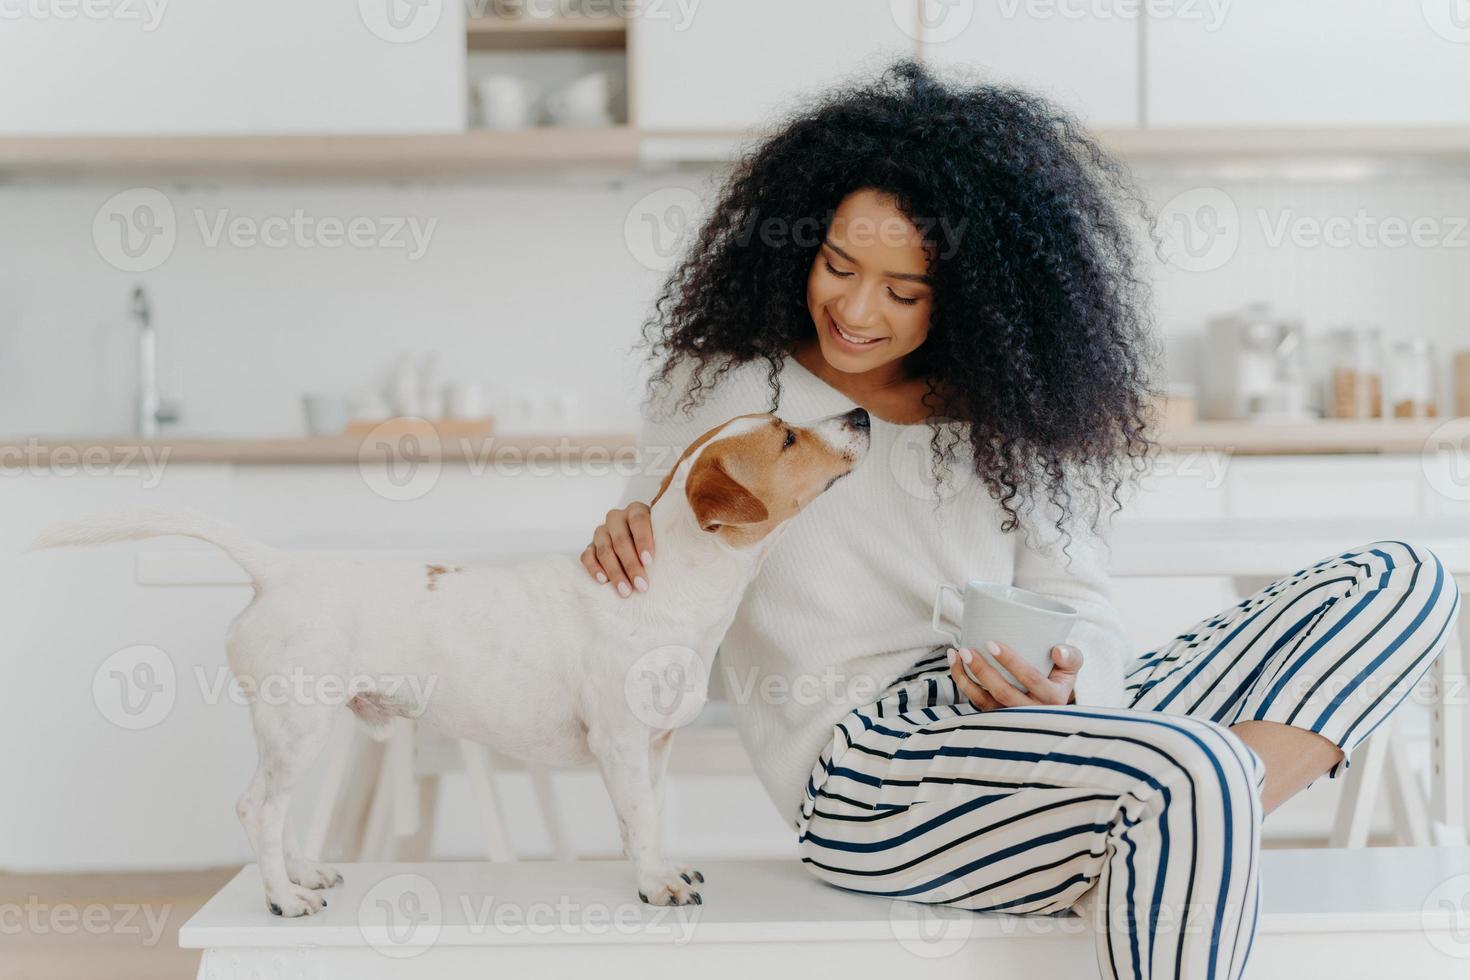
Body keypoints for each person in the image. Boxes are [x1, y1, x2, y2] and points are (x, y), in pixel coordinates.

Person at [580, 61, 1460, 980]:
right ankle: (1168, 820)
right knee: (1189, 772)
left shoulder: (1018, 411)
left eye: (903, 290)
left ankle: (1151, 826)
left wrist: (1068, 689)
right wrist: (620, 539)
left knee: (1404, 582)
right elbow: (659, 572)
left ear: (969, 295)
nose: (853, 307)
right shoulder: (727, 388)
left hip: (1041, 730)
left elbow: (1078, 606)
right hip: (871, 773)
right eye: (837, 264)